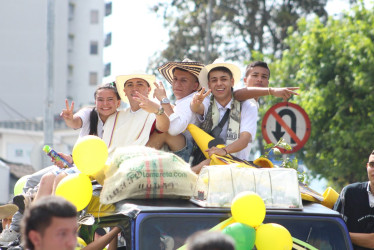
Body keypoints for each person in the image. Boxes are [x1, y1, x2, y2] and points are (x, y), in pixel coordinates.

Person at [1, 82, 121, 244]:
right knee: (32, 179)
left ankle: (32, 204)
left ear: (118, 102)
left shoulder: (122, 120)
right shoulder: (90, 114)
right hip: (77, 165)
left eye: (110, 99)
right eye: (100, 99)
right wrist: (70, 119)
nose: (105, 104)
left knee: (54, 181)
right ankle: (15, 230)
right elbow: (75, 122)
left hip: (98, 172)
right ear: (95, 101)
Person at [191, 59, 258, 166]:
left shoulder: (248, 106)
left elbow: (245, 139)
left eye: (223, 79)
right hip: (205, 161)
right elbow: (197, 108)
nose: (219, 84)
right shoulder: (207, 103)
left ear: (232, 81)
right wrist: (195, 102)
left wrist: (224, 151)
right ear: (209, 84)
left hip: (236, 165)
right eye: (214, 80)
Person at [147, 59, 205, 163]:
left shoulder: (191, 99)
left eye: (183, 80)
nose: (177, 84)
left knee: (163, 131)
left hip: (191, 154)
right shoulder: (183, 101)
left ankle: (139, 161)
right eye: (175, 79)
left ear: (195, 86)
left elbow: (174, 130)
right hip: (186, 149)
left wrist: (163, 99)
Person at [102, 73, 170, 159]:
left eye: (140, 84)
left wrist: (157, 111)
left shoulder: (156, 111)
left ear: (148, 89)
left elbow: (163, 128)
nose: (134, 88)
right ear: (125, 91)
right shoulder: (114, 117)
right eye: (130, 85)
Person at [333, 150, 374, 250]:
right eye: (372, 165)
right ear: (367, 166)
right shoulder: (349, 193)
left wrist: (342, 234)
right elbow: (332, 230)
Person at [233, 60, 299, 103]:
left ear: (267, 83)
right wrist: (272, 91)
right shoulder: (240, 100)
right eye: (255, 75)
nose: (259, 79)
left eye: (264, 77)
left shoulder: (255, 105)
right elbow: (236, 95)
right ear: (245, 81)